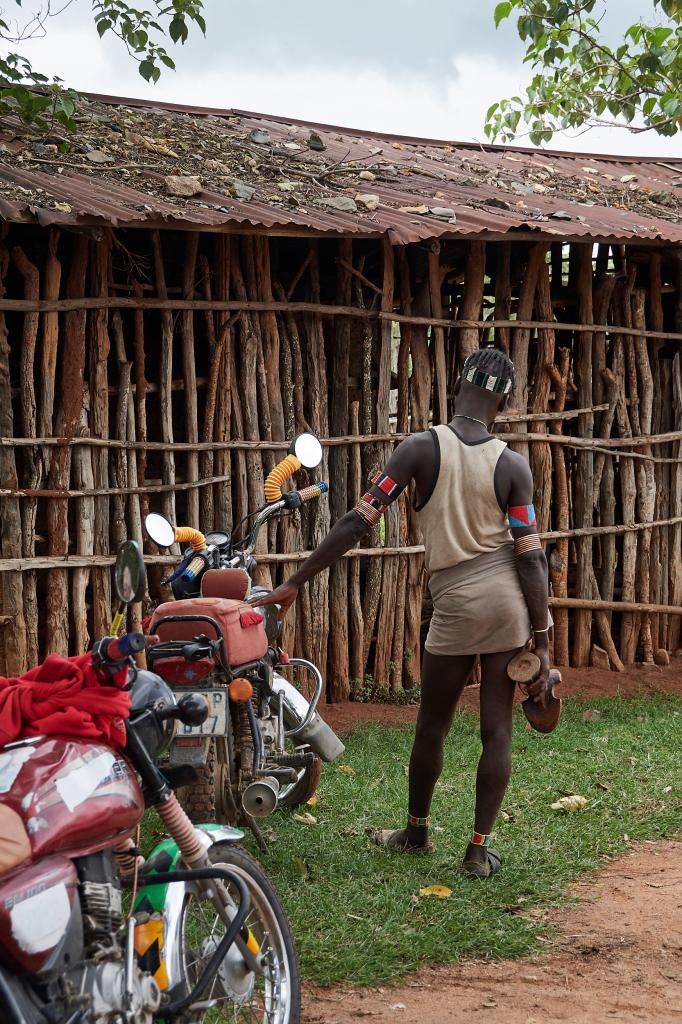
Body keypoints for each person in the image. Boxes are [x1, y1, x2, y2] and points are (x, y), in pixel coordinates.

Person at [256, 347, 553, 879]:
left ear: (458, 386)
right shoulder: (512, 465)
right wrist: (544, 638)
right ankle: (478, 849)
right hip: (507, 604)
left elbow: (358, 521)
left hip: (456, 604)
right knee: (497, 730)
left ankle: (416, 831)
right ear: (503, 402)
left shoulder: (419, 449)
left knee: (432, 725)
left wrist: (295, 581)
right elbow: (530, 558)